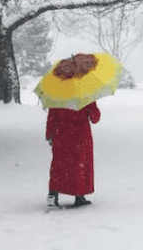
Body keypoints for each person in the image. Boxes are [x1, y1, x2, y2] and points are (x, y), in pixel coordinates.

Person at [45, 54, 102, 207]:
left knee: (59, 164)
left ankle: (53, 193)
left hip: (60, 134)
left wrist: (49, 134)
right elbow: (95, 118)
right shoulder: (85, 92)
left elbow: (52, 115)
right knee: (80, 164)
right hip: (80, 136)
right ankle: (79, 195)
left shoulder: (57, 91)